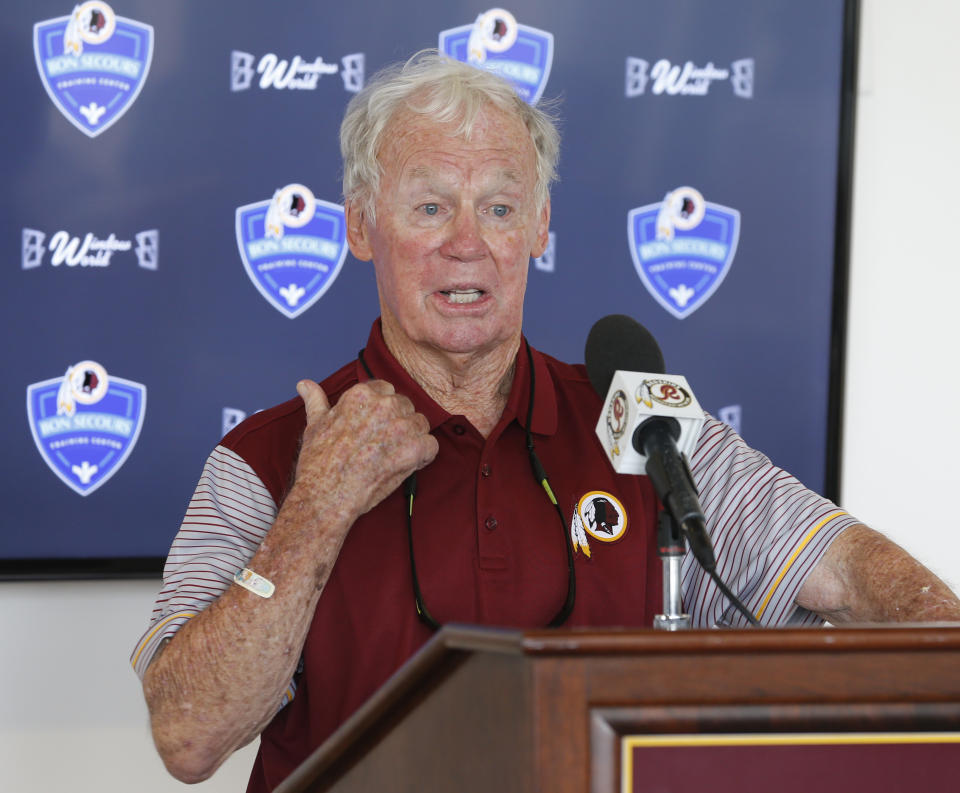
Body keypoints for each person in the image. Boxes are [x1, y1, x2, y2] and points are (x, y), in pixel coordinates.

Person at [132, 52, 960, 789]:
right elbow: (188, 736)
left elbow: (850, 573)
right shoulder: (268, 454)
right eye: (429, 208)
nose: (469, 243)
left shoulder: (643, 424)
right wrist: (317, 507)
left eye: (499, 208)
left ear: (539, 229)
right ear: (358, 227)